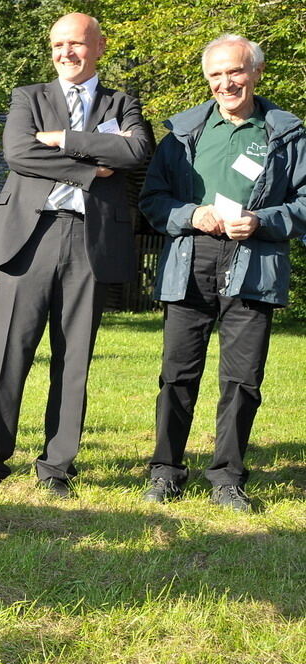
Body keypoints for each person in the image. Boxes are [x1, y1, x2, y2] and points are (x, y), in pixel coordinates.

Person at [0, 13, 153, 499]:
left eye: (75, 43)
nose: (65, 52)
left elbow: (135, 153)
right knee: (10, 352)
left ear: (99, 46)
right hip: (29, 236)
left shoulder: (123, 102)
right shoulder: (29, 97)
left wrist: (66, 140)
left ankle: (56, 468)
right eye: (57, 45)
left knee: (74, 359)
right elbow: (19, 155)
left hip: (91, 241)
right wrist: (93, 168)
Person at [138, 35, 306, 510]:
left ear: (255, 73)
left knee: (242, 380)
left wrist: (263, 221)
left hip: (254, 264)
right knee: (176, 376)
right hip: (191, 262)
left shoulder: (287, 135)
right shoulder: (181, 136)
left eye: (235, 72)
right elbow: (152, 202)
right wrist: (191, 215)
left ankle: (227, 478)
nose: (225, 82)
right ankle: (165, 471)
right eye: (216, 74)